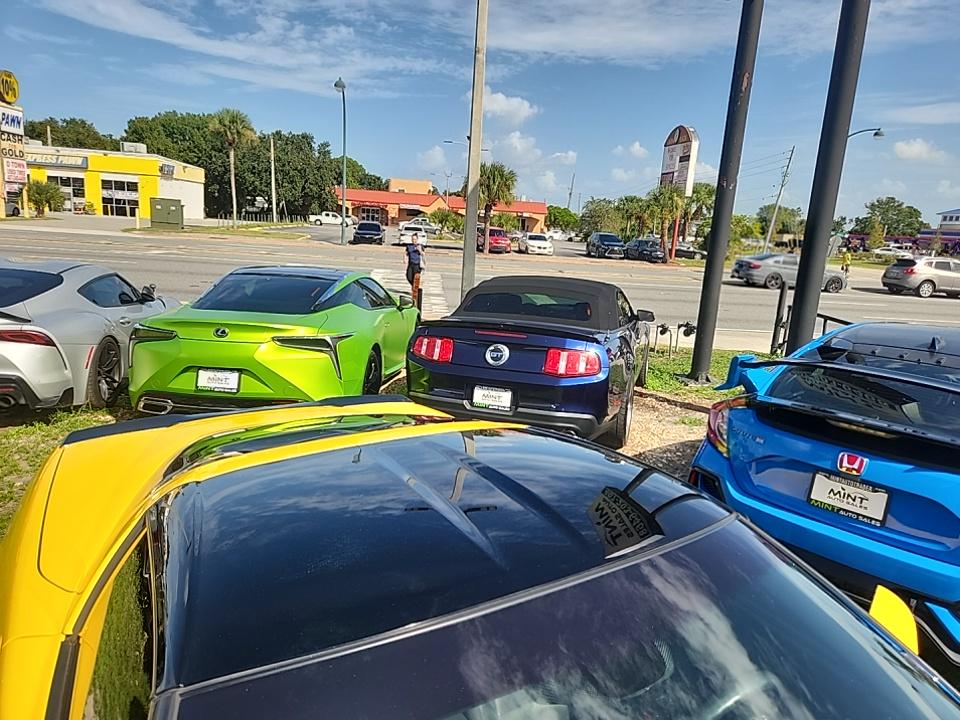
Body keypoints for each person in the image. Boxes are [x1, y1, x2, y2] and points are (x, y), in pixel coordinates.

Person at [404, 233, 424, 305]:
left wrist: (420, 250)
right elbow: (406, 253)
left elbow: (423, 254)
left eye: (415, 239)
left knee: (416, 279)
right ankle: (414, 287)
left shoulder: (420, 246)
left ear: (417, 239)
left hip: (417, 265)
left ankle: (415, 291)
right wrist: (404, 259)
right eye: (413, 239)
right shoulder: (409, 246)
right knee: (409, 277)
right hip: (411, 264)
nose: (414, 240)